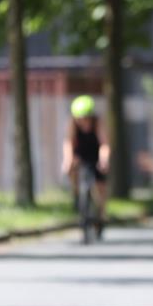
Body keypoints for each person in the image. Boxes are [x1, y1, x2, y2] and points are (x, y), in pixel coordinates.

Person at [61, 95, 110, 232]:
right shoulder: (72, 124)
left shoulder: (98, 123)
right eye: (80, 118)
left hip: (95, 153)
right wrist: (67, 160)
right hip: (80, 153)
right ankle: (77, 195)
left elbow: (104, 144)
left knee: (100, 185)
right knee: (71, 168)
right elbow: (68, 143)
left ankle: (101, 212)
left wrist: (104, 159)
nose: (83, 121)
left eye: (86, 118)